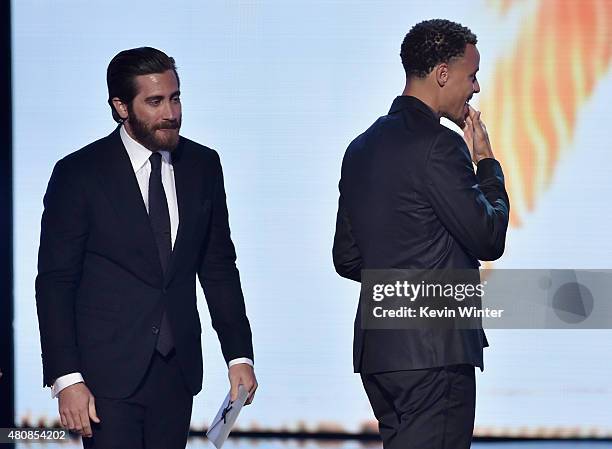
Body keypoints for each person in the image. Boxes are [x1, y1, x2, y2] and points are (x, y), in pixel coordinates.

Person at [35, 47, 257, 449]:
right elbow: (55, 282)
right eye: (154, 101)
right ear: (121, 106)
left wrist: (239, 355)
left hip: (177, 372)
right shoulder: (79, 173)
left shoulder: (203, 165)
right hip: (105, 379)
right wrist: (67, 378)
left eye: (175, 97)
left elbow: (219, 267)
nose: (170, 112)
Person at [333, 19, 510, 449]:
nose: (476, 89)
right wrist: (486, 163)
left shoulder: (361, 147)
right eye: (472, 76)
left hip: (382, 357)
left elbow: (348, 258)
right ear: (442, 74)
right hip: (434, 355)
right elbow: (489, 237)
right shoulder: (440, 145)